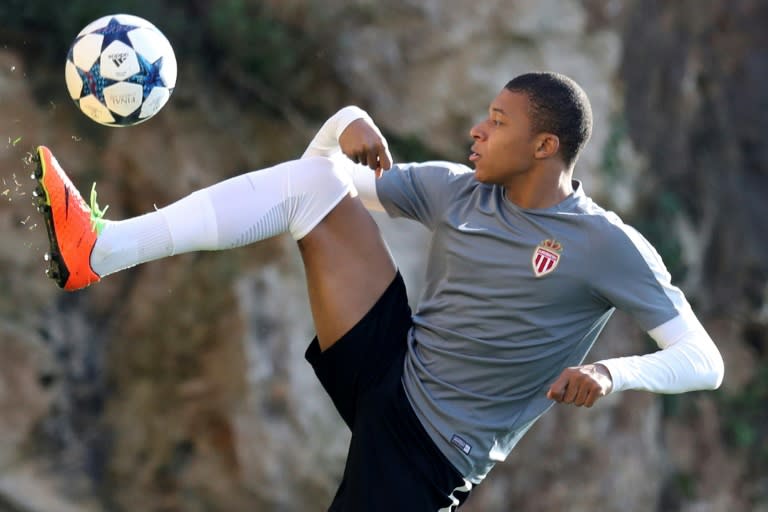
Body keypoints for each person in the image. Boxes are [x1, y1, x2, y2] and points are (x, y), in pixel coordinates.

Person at [32, 72, 724, 511]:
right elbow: (306, 185)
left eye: (498, 121)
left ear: (546, 147)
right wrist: (344, 121)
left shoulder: (608, 245)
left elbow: (704, 361)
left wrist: (611, 372)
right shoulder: (455, 187)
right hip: (387, 361)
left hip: (430, 454)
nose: (477, 130)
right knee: (312, 190)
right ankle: (101, 249)